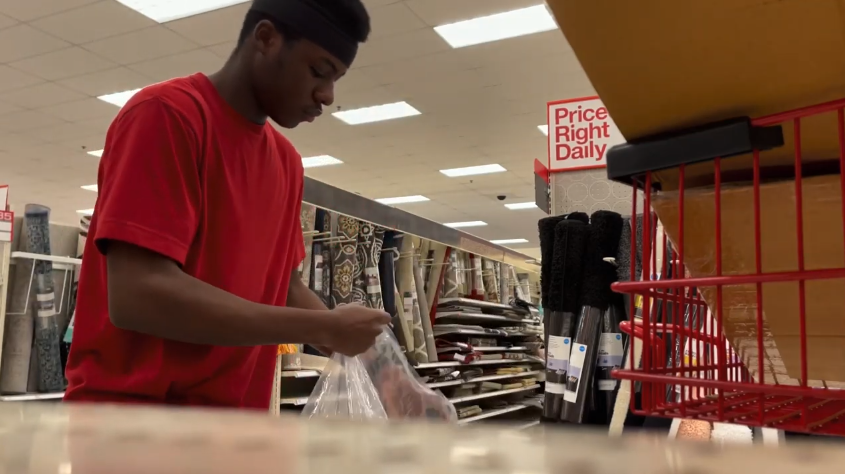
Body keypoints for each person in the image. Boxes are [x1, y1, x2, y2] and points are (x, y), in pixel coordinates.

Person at [63, 0, 391, 409]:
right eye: (318, 71)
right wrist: (323, 325)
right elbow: (137, 294)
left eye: (336, 79)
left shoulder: (286, 162)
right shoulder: (168, 116)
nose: (326, 95)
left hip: (233, 421)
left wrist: (382, 367)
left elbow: (283, 286)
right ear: (267, 39)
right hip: (131, 421)